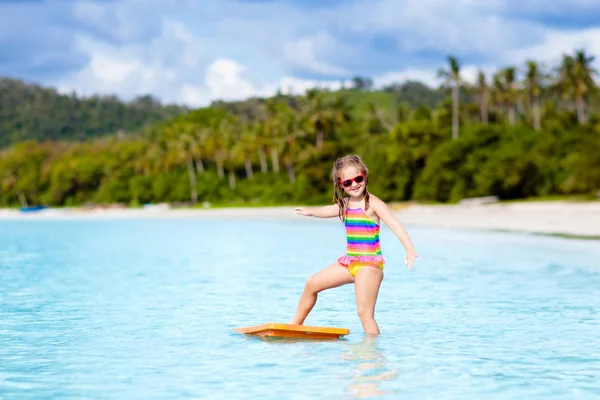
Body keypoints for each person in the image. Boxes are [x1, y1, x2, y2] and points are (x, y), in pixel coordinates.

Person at [291, 154, 418, 335]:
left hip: (370, 265)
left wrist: (409, 248)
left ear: (364, 176)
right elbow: (328, 210)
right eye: (347, 182)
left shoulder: (373, 203)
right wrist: (310, 211)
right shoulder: (345, 204)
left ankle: (372, 351)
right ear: (340, 184)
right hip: (349, 263)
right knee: (312, 283)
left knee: (365, 314)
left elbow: (394, 223)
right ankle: (295, 325)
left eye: (358, 179)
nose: (354, 185)